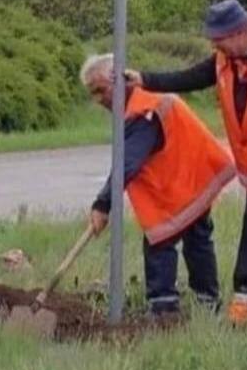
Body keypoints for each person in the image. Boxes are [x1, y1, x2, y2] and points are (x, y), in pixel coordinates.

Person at [127, 0, 247, 324]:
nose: (215, 46)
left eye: (218, 40)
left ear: (239, 32)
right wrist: (144, 79)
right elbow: (190, 78)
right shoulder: (225, 59)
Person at [81, 54, 235, 316]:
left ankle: (164, 309)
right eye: (93, 94)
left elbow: (127, 163)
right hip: (188, 180)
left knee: (161, 240)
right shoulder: (143, 102)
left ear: (119, 81)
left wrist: (102, 204)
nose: (99, 100)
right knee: (195, 238)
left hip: (188, 180)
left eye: (100, 90)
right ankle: (206, 302)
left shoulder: (144, 110)